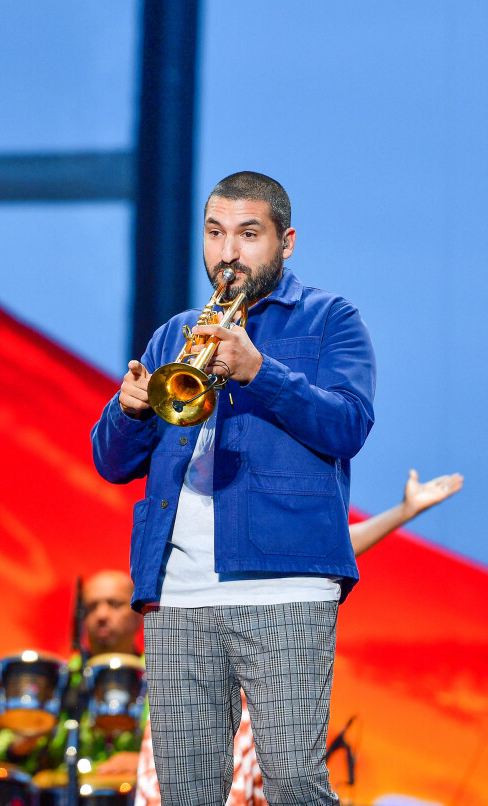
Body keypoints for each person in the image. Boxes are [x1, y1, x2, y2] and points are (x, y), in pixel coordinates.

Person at [92, 171, 377, 806]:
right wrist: (128, 409)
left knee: (296, 785)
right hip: (178, 590)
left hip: (286, 582)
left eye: (248, 234)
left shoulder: (331, 319)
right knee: (185, 791)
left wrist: (258, 371)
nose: (228, 252)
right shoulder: (174, 333)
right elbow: (112, 465)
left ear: (286, 241)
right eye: (216, 233)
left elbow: (348, 424)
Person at [133, 468, 464, 806]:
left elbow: (326, 551)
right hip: (200, 667)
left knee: (293, 780)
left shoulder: (270, 518)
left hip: (265, 682)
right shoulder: (179, 540)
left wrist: (403, 512)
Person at [0, 570, 146, 777]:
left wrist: (147, 762)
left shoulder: (161, 679)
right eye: (91, 607)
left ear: (139, 614)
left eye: (114, 604)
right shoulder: (62, 677)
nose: (102, 615)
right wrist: (21, 745)